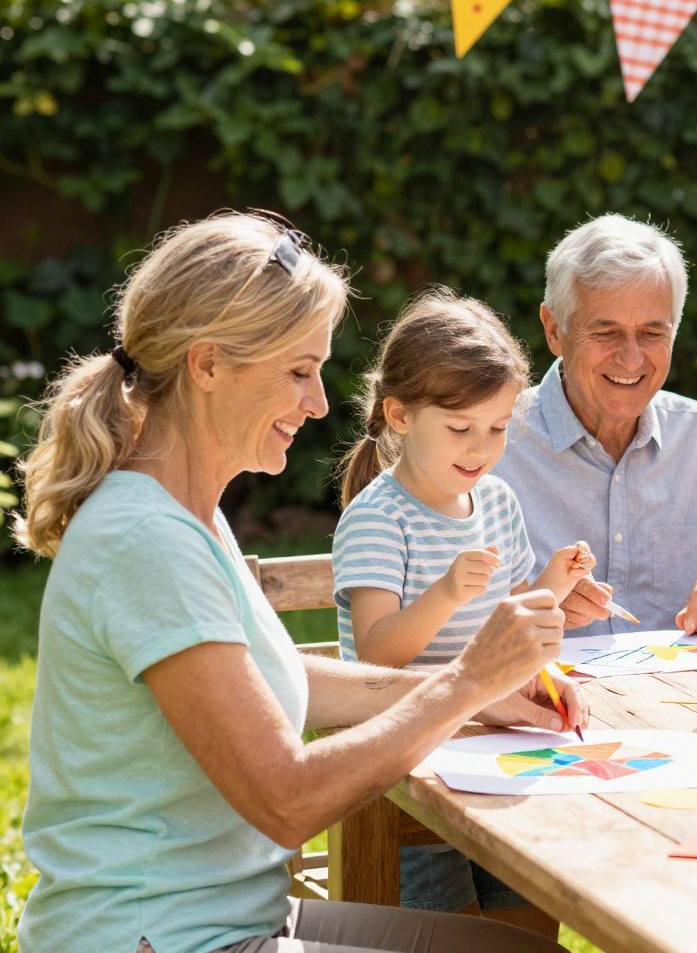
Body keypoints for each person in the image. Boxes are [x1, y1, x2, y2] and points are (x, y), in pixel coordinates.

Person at [14, 213, 581, 953]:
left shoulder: (187, 513)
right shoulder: (144, 539)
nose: (319, 404)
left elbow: (276, 680)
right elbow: (287, 798)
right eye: (297, 371)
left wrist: (487, 693)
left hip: (231, 920)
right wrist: (466, 683)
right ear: (208, 365)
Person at [332, 290, 594, 932]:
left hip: (492, 745)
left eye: (499, 428)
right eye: (460, 428)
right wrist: (445, 593)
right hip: (412, 762)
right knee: (447, 926)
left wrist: (554, 587)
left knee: (527, 918)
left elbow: (502, 620)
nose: (481, 448)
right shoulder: (376, 518)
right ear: (398, 415)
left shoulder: (497, 502)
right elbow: (375, 652)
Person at [496, 214, 697, 637]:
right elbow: (442, 628)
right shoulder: (493, 444)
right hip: (542, 698)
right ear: (554, 330)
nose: (631, 359)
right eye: (606, 331)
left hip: (679, 700)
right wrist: (534, 605)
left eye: (652, 333)